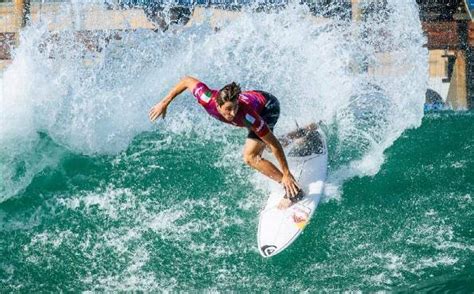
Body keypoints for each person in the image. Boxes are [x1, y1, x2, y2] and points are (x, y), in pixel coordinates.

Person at [149, 76, 302, 208]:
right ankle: (301, 134)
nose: (233, 113)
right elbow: (187, 81)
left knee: (251, 156)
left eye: (235, 107)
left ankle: (293, 191)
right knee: (264, 144)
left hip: (267, 107)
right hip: (257, 99)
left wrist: (287, 173)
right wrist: (164, 103)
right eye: (228, 109)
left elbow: (274, 144)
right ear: (217, 104)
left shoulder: (248, 116)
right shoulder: (206, 98)